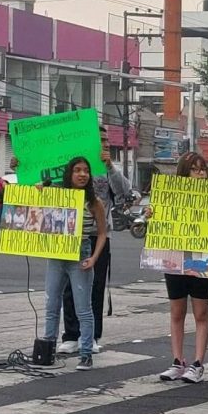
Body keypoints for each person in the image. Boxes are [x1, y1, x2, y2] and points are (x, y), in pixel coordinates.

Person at [57, 126, 132, 355]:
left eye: (107, 140)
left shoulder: (107, 170)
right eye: (100, 140)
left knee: (95, 287)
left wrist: (110, 166)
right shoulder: (73, 169)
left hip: (99, 236)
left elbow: (125, 193)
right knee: (69, 287)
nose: (105, 143)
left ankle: (92, 335)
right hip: (71, 234)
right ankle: (71, 334)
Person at [157, 152, 208, 383]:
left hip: (201, 259)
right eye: (194, 169)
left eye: (202, 169)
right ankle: (177, 360)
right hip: (174, 258)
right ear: (184, 173)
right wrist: (151, 215)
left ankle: (197, 363)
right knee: (176, 311)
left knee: (200, 312)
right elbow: (159, 226)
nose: (200, 174)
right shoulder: (170, 197)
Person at [41, 157, 108, 371]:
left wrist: (94, 258)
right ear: (69, 174)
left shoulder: (94, 202)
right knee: (52, 305)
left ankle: (86, 353)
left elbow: (102, 234)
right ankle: (47, 350)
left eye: (86, 171)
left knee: (83, 308)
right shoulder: (57, 196)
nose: (82, 174)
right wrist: (38, 189)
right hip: (57, 254)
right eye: (77, 170)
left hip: (81, 254)